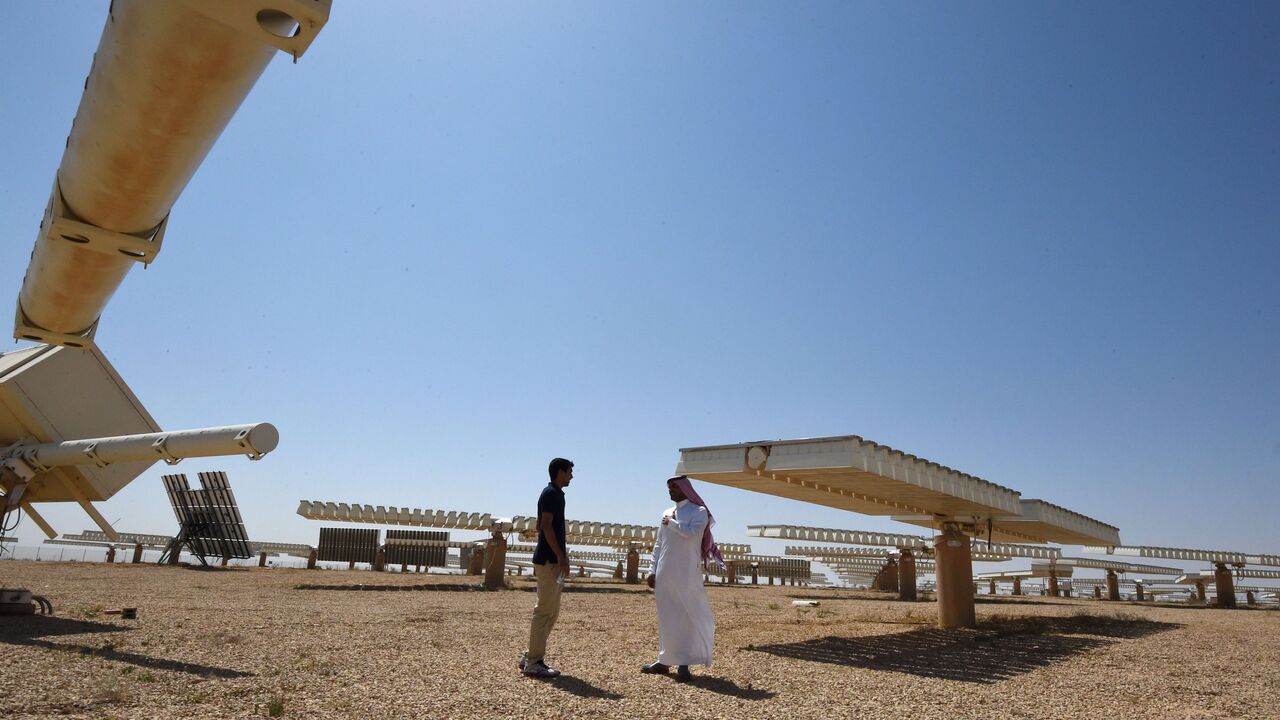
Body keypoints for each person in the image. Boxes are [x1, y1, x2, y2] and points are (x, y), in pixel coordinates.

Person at [642, 475, 722, 681]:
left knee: (686, 616)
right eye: (669, 488)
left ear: (685, 489)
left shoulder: (699, 511)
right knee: (667, 616)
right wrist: (652, 570)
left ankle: (684, 663)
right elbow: (659, 544)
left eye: (674, 487)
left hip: (686, 573)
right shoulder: (667, 513)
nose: (670, 491)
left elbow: (693, 534)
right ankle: (664, 660)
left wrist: (672, 524)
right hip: (664, 572)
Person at [521, 457, 573, 678]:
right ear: (559, 472)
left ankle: (530, 656)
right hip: (549, 561)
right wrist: (560, 556)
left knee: (551, 612)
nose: (571, 476)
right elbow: (547, 527)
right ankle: (534, 662)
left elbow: (540, 525)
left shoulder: (554, 494)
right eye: (569, 472)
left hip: (551, 560)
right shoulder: (551, 494)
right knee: (544, 611)